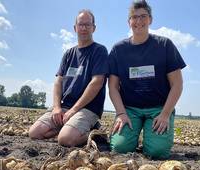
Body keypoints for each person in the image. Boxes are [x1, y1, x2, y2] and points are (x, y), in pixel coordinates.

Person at [108, 0, 186, 159]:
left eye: (143, 16)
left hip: (158, 108)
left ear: (150, 19)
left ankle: (152, 140)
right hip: (130, 109)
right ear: (128, 22)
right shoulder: (118, 49)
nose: (138, 21)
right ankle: (130, 137)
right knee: (120, 148)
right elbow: (113, 87)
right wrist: (121, 113)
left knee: (157, 152)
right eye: (134, 17)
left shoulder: (165, 45)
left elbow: (177, 84)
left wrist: (165, 114)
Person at [29, 10, 108, 147]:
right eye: (80, 24)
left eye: (87, 25)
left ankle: (95, 131)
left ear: (93, 28)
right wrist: (57, 107)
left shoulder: (99, 51)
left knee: (65, 140)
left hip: (87, 108)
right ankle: (68, 127)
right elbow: (58, 81)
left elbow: (97, 82)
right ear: (75, 28)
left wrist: (73, 110)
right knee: (35, 133)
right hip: (65, 106)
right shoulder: (69, 53)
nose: (83, 28)